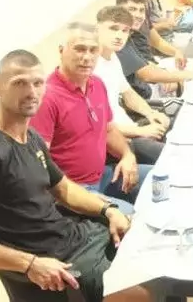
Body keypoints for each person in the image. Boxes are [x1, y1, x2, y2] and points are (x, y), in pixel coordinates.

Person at [0, 49, 150, 302]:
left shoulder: (31, 137)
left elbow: (63, 188)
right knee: (144, 293)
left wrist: (108, 210)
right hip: (57, 261)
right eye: (19, 83)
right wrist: (30, 264)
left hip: (75, 236)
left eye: (38, 83)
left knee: (152, 257)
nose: (32, 92)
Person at [30, 23, 150, 215]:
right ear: (61, 51)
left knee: (161, 179)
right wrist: (77, 196)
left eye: (93, 50)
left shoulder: (97, 84)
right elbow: (38, 165)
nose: (87, 57)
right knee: (129, 217)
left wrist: (127, 156)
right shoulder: (46, 97)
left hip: (105, 176)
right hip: (72, 191)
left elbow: (109, 130)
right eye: (79, 49)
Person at [95, 5, 168, 165]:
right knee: (172, 156)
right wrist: (141, 131)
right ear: (97, 29)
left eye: (125, 31)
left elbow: (128, 93)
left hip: (131, 128)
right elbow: (100, 125)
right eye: (113, 29)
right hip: (118, 141)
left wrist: (150, 114)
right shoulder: (91, 67)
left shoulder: (113, 57)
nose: (119, 36)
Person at [115, 0, 193, 98]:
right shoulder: (118, 39)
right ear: (119, 12)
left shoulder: (129, 34)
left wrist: (170, 75)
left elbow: (145, 63)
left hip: (147, 86)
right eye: (132, 9)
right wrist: (189, 75)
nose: (138, 15)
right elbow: (147, 75)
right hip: (146, 96)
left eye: (141, 10)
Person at [125, 0, 188, 64]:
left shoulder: (142, 10)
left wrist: (176, 52)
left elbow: (157, 41)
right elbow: (134, 63)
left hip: (150, 61)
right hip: (142, 66)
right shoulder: (123, 15)